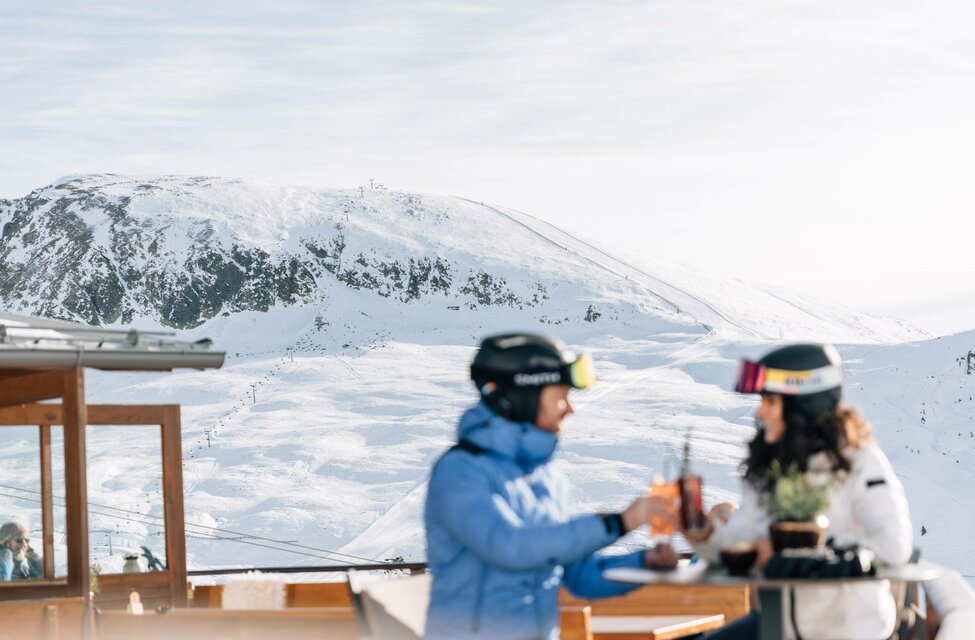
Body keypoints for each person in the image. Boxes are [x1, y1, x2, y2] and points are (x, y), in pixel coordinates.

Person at [425, 333, 679, 639]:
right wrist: (620, 522)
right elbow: (509, 546)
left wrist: (644, 563)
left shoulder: (549, 479)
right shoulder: (460, 472)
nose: (569, 408)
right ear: (525, 397)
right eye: (561, 395)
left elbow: (579, 575)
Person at [686, 344, 913, 640]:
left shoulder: (860, 462)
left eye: (770, 401)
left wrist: (807, 546)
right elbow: (740, 543)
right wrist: (705, 534)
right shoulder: (772, 468)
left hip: (851, 629)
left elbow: (893, 546)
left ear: (801, 404)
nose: (760, 412)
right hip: (782, 624)